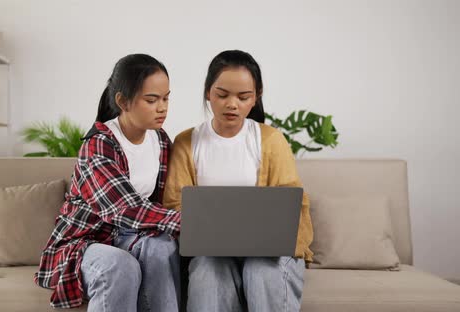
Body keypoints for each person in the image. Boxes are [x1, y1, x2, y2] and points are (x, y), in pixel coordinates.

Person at [164, 50, 313, 312]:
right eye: (222, 95)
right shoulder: (187, 142)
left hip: (268, 252)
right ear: (208, 93)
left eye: (243, 97)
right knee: (208, 273)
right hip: (210, 252)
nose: (232, 104)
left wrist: (287, 244)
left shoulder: (271, 140)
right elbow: (174, 204)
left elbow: (294, 203)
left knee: (261, 272)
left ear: (256, 97)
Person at [36, 54, 181, 311]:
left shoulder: (160, 141)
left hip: (131, 235)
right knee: (119, 265)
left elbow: (167, 199)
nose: (162, 107)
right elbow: (124, 208)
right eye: (152, 100)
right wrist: (184, 221)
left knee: (162, 248)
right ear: (123, 101)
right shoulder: (99, 144)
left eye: (166, 98)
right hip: (86, 242)